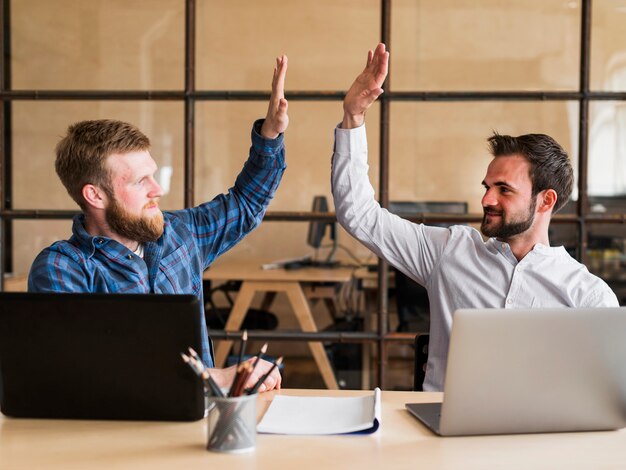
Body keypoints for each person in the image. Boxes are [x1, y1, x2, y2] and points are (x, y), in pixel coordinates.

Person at [331, 43, 619, 391]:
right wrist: (353, 116)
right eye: (486, 186)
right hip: (443, 429)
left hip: (536, 437)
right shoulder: (448, 251)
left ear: (545, 201)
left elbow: (602, 392)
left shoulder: (588, 297)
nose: (486, 199)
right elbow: (358, 213)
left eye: (504, 189)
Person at [28, 56, 289, 393]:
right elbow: (81, 372)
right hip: (112, 438)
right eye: (140, 182)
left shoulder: (179, 233)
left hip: (195, 429)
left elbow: (245, 203)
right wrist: (216, 378)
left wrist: (270, 135)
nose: (158, 190)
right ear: (95, 195)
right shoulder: (62, 268)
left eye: (154, 174)